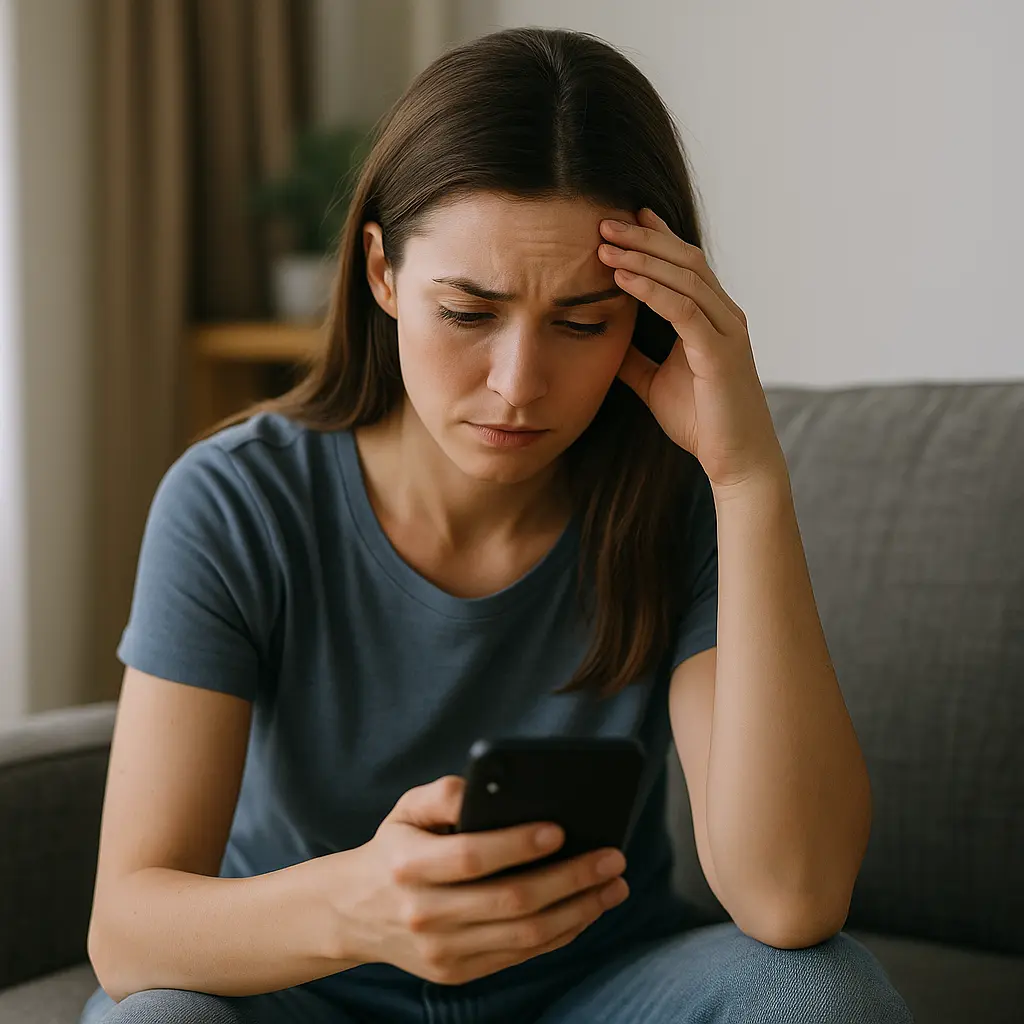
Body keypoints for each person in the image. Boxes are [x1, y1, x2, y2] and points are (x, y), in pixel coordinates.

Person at [79, 26, 914, 1024]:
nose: (518, 387)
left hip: (593, 992)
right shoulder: (236, 502)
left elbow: (791, 898)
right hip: (306, 996)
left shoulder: (675, 500)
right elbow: (128, 931)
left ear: (646, 312)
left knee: (821, 993)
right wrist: (361, 911)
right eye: (468, 315)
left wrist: (748, 480)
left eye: (580, 322)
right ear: (382, 274)